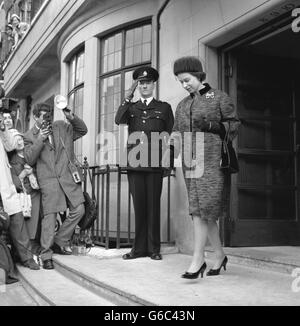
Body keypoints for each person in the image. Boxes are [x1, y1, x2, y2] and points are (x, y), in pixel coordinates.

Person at [164, 56, 240, 278]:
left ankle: (198, 259)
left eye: (187, 79)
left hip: (212, 161)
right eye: (180, 82)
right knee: (200, 211)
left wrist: (212, 126)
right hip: (190, 163)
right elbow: (176, 132)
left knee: (204, 210)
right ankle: (219, 255)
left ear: (198, 75)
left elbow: (234, 125)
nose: (184, 85)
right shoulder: (183, 105)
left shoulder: (218, 97)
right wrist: (170, 153)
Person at [115, 66, 174, 260]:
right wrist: (127, 96)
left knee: (153, 207)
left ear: (154, 84)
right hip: (135, 164)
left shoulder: (164, 107)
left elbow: (171, 136)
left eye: (147, 82)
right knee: (139, 207)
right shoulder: (131, 108)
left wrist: (169, 163)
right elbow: (118, 119)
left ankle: (153, 249)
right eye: (141, 83)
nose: (144, 85)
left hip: (156, 164)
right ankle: (138, 249)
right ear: (137, 86)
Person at [24, 102, 87, 270]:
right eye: (43, 116)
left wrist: (70, 115)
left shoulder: (61, 127)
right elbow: (29, 159)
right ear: (36, 117)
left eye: (49, 115)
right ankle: (46, 255)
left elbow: (82, 130)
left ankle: (60, 239)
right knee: (49, 219)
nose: (46, 119)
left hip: (67, 179)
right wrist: (40, 139)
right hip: (49, 182)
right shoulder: (29, 136)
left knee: (79, 209)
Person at [0, 109, 40, 270]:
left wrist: (3, 128)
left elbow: (11, 145)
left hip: (4, 183)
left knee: (17, 219)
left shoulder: (5, 129)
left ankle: (27, 258)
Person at [9, 130, 42, 256]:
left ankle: (34, 249)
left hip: (36, 192)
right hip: (24, 195)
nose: (19, 142)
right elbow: (14, 181)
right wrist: (24, 173)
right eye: (16, 140)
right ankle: (26, 251)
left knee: (36, 222)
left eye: (21, 139)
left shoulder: (31, 153)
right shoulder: (12, 160)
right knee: (26, 223)